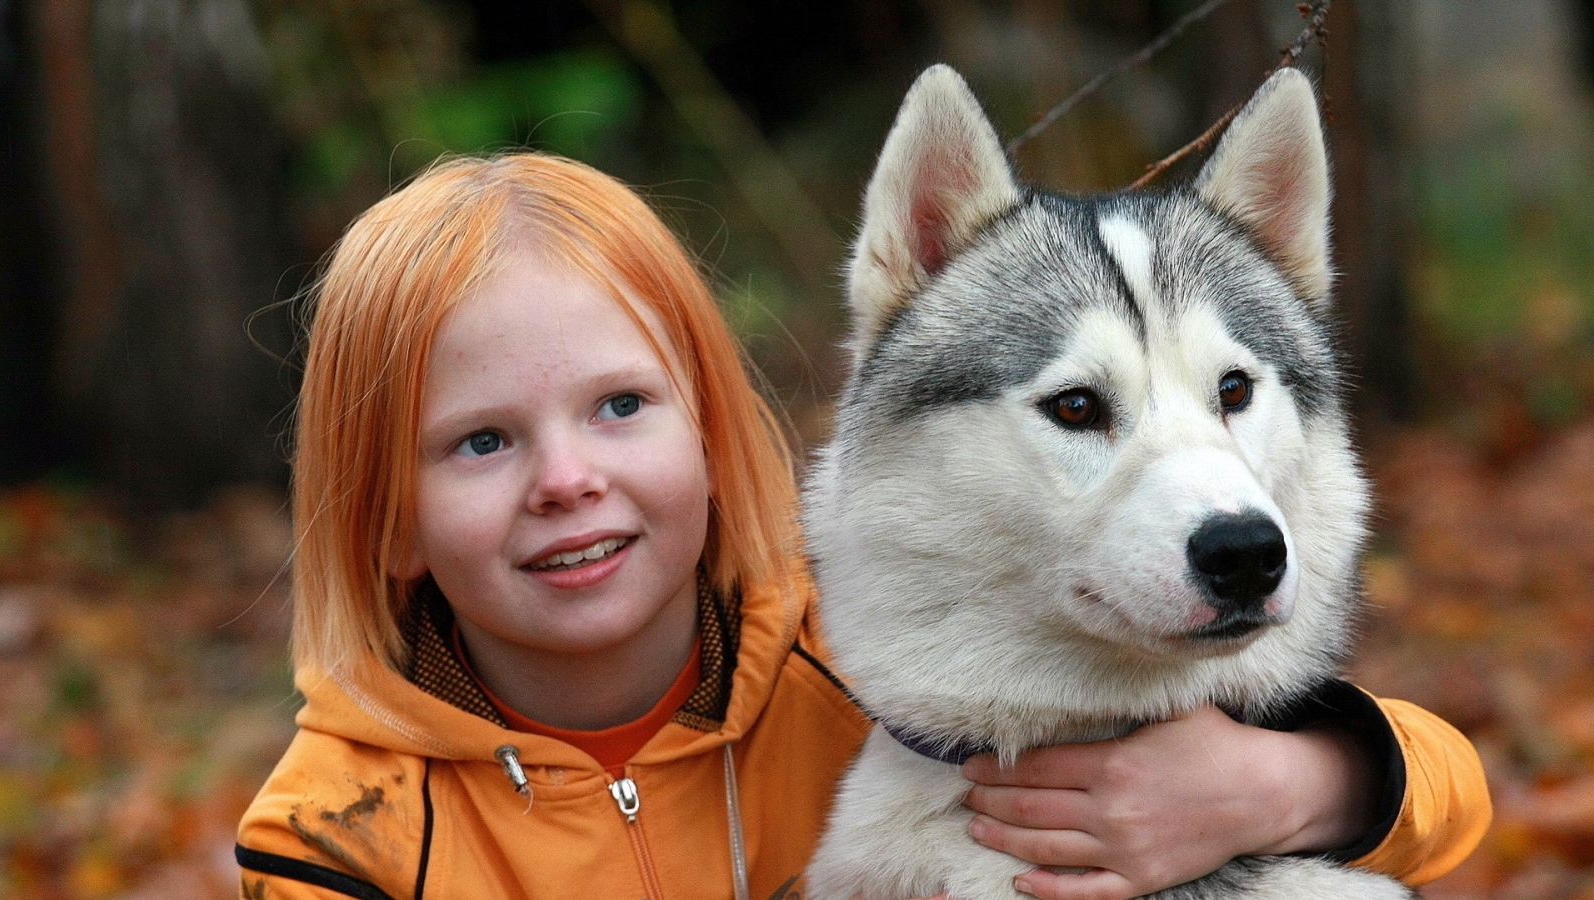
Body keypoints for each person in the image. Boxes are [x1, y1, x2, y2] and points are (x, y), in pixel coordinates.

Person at [236, 152, 1489, 900]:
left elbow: (1449, 787)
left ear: (714, 433)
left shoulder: (870, 664)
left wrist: (1289, 781)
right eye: (482, 441)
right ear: (384, 522)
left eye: (620, 407)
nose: (564, 479)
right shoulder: (340, 833)